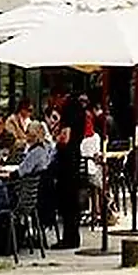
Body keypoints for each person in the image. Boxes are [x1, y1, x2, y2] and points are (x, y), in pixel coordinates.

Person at [49, 95, 86, 249]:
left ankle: (69, 238)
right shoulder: (79, 111)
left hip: (67, 162)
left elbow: (65, 138)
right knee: (72, 201)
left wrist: (55, 137)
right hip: (75, 158)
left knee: (67, 201)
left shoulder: (70, 110)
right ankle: (73, 236)